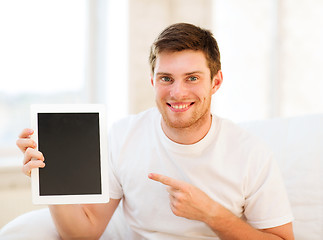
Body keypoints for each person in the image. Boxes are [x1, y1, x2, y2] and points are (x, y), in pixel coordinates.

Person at [16, 23, 294, 239]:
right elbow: (82, 233)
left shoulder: (251, 153)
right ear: (152, 80)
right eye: (166, 78)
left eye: (193, 78)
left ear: (216, 81)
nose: (178, 92)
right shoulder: (124, 136)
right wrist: (49, 177)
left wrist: (212, 213)